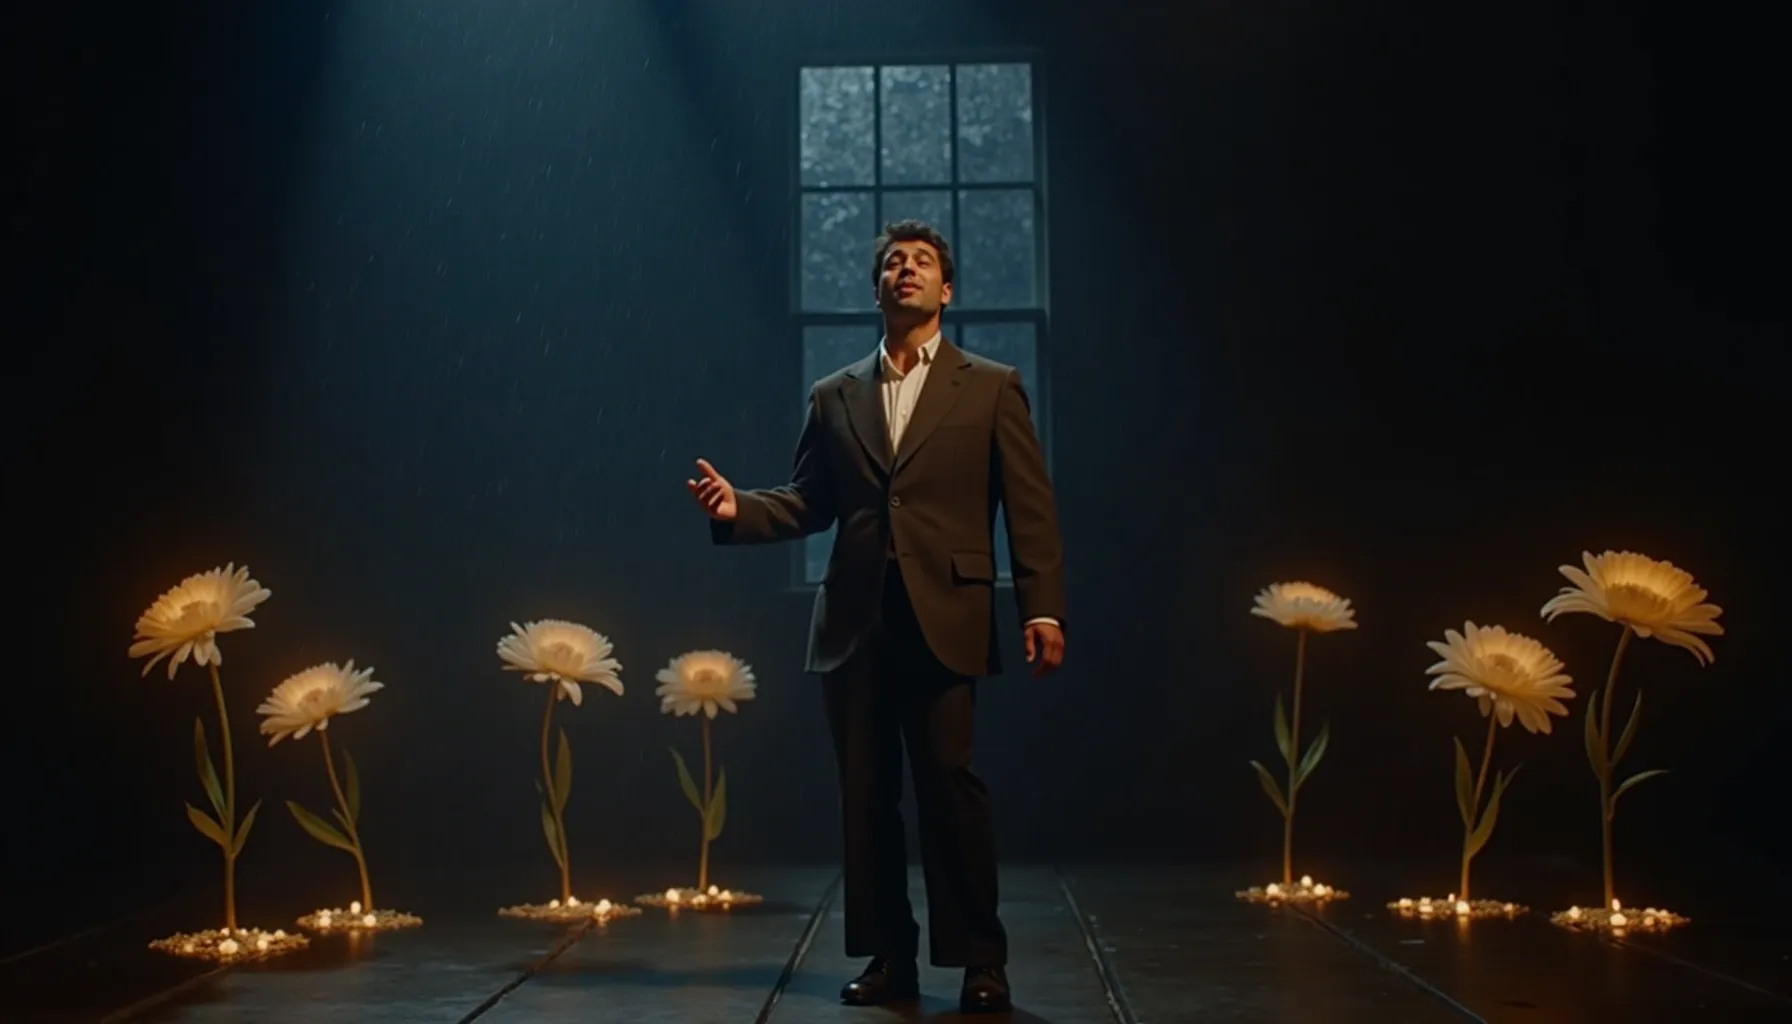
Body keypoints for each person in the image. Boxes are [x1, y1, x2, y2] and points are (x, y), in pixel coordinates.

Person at [686, 219, 1067, 1013]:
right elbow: (809, 502)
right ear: (878, 289)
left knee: (949, 790)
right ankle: (891, 959)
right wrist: (737, 508)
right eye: (894, 263)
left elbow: (1028, 508)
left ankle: (981, 962)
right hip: (855, 624)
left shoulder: (991, 385)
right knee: (866, 799)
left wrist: (1044, 609)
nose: (907, 270)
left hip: (947, 614)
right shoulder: (835, 394)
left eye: (922, 262)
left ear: (946, 289)